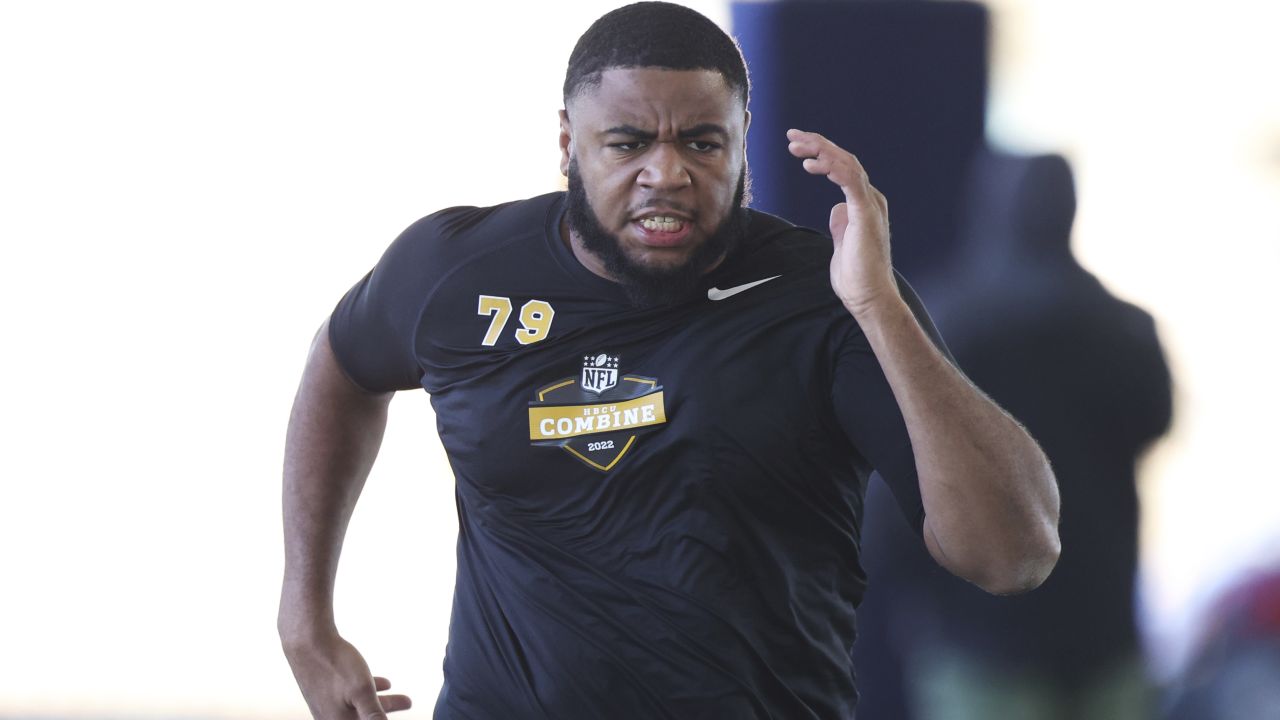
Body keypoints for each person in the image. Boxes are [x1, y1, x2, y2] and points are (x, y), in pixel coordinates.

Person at [278, 3, 1061, 718]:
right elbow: (343, 367)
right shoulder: (456, 272)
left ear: (741, 140)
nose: (667, 173)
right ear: (567, 144)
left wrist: (880, 308)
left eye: (700, 141)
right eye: (627, 143)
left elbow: (1013, 555)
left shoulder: (827, 297)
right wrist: (306, 623)